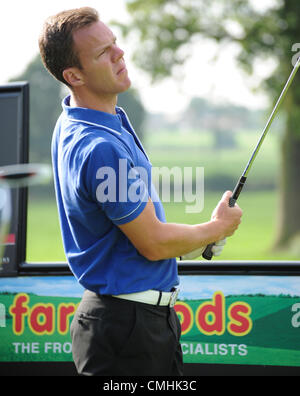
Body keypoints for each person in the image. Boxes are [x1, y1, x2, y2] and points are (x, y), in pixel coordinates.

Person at [38, 7, 243, 376]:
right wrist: (217, 228)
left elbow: (139, 234)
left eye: (114, 43)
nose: (120, 54)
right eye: (103, 53)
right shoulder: (100, 146)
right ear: (73, 75)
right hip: (127, 331)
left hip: (136, 324)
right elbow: (153, 243)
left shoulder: (83, 119)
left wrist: (195, 242)